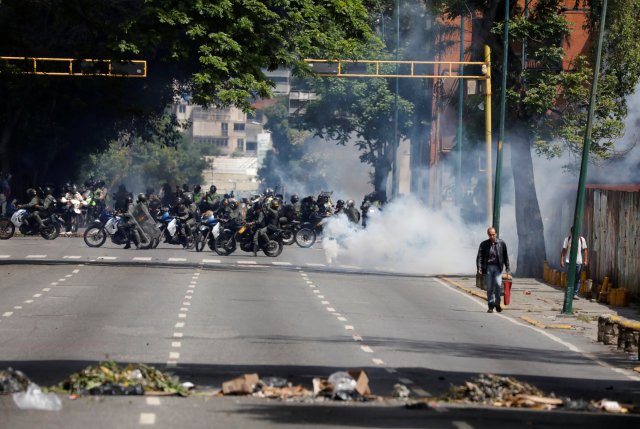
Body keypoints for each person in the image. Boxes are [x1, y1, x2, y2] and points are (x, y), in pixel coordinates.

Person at [476, 227, 511, 313]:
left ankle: (497, 304)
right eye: (490, 235)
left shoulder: (501, 243)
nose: (492, 236)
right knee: (490, 288)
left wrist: (507, 267)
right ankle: (490, 305)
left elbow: (505, 256)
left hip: (498, 267)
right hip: (488, 267)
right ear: (488, 235)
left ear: (496, 234)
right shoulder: (484, 244)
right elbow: (479, 257)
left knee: (498, 285)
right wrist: (479, 268)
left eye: (493, 234)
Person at [560, 227, 588, 299]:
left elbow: (585, 250)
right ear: (571, 232)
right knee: (570, 278)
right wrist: (562, 260)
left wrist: (585, 260)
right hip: (569, 261)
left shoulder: (582, 239)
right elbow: (563, 250)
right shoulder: (567, 239)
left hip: (578, 262)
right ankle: (569, 292)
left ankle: (575, 293)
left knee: (577, 278)